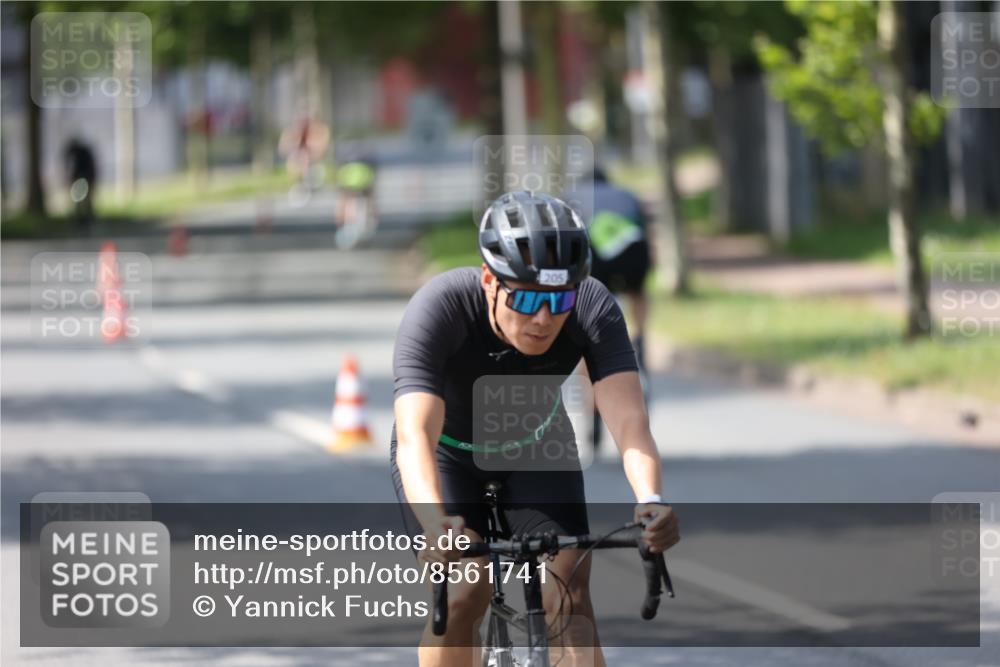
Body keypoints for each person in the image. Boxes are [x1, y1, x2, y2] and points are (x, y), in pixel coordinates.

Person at [391, 191, 679, 667]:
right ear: (489, 280)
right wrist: (433, 522)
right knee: (467, 589)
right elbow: (415, 433)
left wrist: (650, 498)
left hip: (536, 441)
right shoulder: (440, 307)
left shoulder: (591, 305)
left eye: (558, 299)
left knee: (569, 591)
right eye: (524, 298)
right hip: (448, 451)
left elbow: (628, 418)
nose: (543, 319)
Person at [578, 166, 654, 452]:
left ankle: (593, 408)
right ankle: (641, 336)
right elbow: (647, 237)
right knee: (638, 291)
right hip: (632, 248)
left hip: (594, 253)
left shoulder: (572, 196)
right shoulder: (628, 195)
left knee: (584, 329)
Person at [63, 138, 98, 233]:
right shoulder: (82, 152)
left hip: (86, 177)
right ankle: (83, 219)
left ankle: (85, 219)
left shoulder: (80, 154)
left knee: (83, 200)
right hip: (86, 177)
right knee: (82, 200)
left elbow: (78, 169)